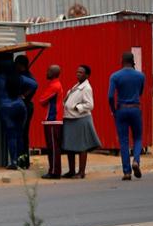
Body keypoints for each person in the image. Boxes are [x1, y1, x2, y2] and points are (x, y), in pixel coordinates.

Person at [0, 59, 38, 170]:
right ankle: (21, 160)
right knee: (20, 134)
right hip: (20, 106)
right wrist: (23, 95)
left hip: (6, 108)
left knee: (11, 135)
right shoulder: (19, 78)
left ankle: (13, 162)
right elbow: (34, 84)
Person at [109, 52, 146, 181]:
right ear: (133, 61)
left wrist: (113, 110)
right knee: (137, 137)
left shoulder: (115, 76)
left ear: (122, 61)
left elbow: (110, 96)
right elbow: (140, 92)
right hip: (135, 109)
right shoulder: (141, 76)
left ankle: (126, 172)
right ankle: (136, 160)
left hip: (121, 110)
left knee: (124, 141)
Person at [62, 64, 101, 178]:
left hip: (80, 119)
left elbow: (90, 105)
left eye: (81, 72)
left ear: (87, 75)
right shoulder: (76, 86)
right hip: (70, 119)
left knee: (81, 147)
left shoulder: (87, 88)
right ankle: (71, 171)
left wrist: (77, 107)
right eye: (77, 72)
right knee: (69, 146)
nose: (78, 74)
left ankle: (81, 172)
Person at [35, 64, 65, 179]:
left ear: (53, 73)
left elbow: (42, 100)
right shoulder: (56, 84)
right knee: (54, 147)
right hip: (53, 121)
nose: (46, 73)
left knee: (53, 148)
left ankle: (54, 172)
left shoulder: (54, 86)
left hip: (53, 120)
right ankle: (54, 170)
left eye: (48, 71)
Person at [15, 55, 37, 169]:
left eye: (16, 64)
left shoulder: (26, 77)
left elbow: (35, 85)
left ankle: (22, 162)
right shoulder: (26, 75)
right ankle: (24, 162)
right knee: (23, 135)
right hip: (26, 107)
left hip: (25, 107)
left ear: (20, 65)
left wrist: (23, 96)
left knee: (22, 135)